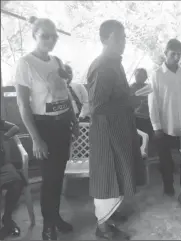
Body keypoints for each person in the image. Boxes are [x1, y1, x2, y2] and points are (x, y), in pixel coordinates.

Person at [15, 16, 79, 240]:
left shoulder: (57, 61)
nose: (50, 40)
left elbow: (65, 94)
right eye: (44, 36)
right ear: (34, 35)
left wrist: (75, 121)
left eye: (53, 36)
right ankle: (47, 226)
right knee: (49, 180)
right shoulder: (26, 63)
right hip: (44, 128)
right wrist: (36, 139)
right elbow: (23, 104)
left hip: (62, 125)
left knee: (58, 176)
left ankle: (55, 217)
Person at [86, 19, 145, 240]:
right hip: (106, 134)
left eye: (124, 37)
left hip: (118, 130)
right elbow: (98, 106)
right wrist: (129, 102)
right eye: (118, 38)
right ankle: (103, 228)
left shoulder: (115, 63)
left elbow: (115, 95)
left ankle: (110, 215)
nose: (123, 42)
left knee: (118, 176)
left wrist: (130, 97)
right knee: (107, 179)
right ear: (104, 39)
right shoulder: (102, 66)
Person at [148, 38, 181, 196]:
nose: (176, 57)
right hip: (165, 124)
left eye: (179, 54)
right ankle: (168, 185)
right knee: (165, 159)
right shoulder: (156, 75)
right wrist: (156, 126)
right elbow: (153, 102)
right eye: (173, 54)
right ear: (165, 53)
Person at [0, 119, 23, 240]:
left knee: (17, 183)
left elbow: (15, 127)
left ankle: (7, 218)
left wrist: (4, 137)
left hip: (3, 165)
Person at [130, 68, 153, 137]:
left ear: (145, 78)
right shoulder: (130, 88)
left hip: (149, 118)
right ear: (135, 76)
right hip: (136, 118)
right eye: (138, 76)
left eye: (142, 76)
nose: (140, 78)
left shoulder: (149, 87)